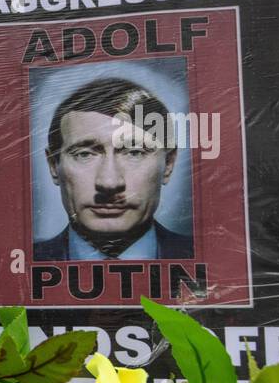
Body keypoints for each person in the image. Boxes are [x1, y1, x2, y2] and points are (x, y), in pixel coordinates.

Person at [33, 76, 193, 261]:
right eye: (84, 154)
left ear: (168, 164)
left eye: (134, 153)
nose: (109, 182)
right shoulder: (16, 270)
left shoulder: (211, 260)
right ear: (54, 166)